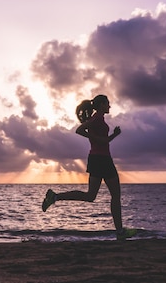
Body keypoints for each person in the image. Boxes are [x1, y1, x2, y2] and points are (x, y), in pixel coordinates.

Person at [41, 94, 134, 239]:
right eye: (107, 103)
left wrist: (114, 135)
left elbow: (104, 141)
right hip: (102, 160)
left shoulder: (99, 119)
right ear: (101, 104)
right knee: (115, 196)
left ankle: (55, 197)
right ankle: (120, 232)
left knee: (91, 196)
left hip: (98, 159)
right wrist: (96, 138)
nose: (109, 106)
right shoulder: (96, 119)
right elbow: (79, 130)